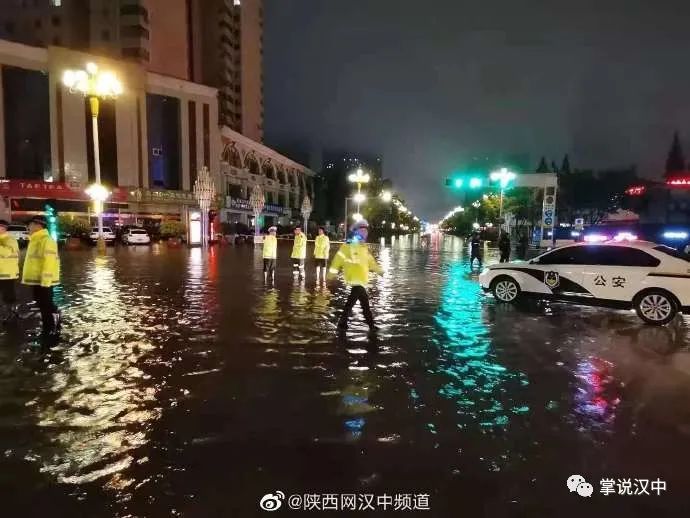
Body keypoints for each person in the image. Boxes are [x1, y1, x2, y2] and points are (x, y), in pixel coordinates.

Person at [328, 219, 382, 330]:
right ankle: (368, 325)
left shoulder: (363, 247)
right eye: (362, 230)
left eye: (366, 231)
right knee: (358, 303)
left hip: (361, 279)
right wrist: (331, 274)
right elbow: (338, 259)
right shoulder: (348, 245)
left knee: (361, 303)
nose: (364, 233)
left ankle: (348, 323)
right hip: (354, 278)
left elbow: (370, 261)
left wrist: (379, 271)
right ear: (357, 232)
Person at [22, 216, 61, 339]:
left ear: (38, 225)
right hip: (37, 279)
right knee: (42, 302)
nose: (28, 227)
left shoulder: (46, 240)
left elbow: (48, 262)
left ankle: (49, 329)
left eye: (30, 224)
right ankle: (53, 318)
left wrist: (45, 281)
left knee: (45, 304)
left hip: (44, 281)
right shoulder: (35, 239)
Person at [0, 220, 19, 323]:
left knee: (8, 295)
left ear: (4, 228)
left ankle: (11, 313)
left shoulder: (10, 240)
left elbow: (6, 252)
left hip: (7, 274)